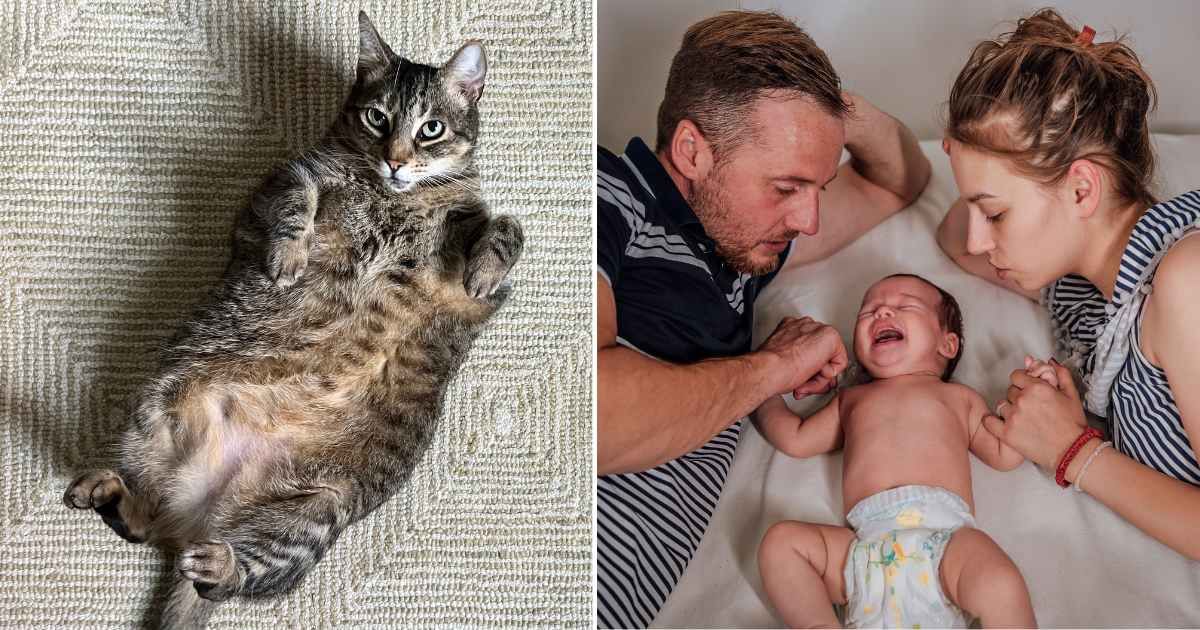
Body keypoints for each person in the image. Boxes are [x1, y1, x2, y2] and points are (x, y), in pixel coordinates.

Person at [596, 10, 931, 628]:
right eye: (787, 187)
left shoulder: (744, 245)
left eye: (820, 188)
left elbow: (902, 180)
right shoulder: (601, 198)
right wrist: (772, 368)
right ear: (692, 150)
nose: (809, 220)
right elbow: (585, 418)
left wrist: (828, 111)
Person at [937, 9, 1200, 561]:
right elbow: (954, 244)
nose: (982, 240)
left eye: (997, 215)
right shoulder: (1082, 292)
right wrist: (974, 168)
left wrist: (1072, 452)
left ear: (1082, 191)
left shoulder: (1187, 278)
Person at [755, 274, 1036, 628]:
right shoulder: (850, 401)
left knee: (1000, 583)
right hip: (864, 551)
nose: (882, 312)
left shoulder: (958, 398)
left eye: (905, 306)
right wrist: (762, 387)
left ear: (947, 344)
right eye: (867, 311)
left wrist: (1029, 401)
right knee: (780, 544)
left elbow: (1004, 453)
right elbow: (795, 437)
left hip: (946, 544)